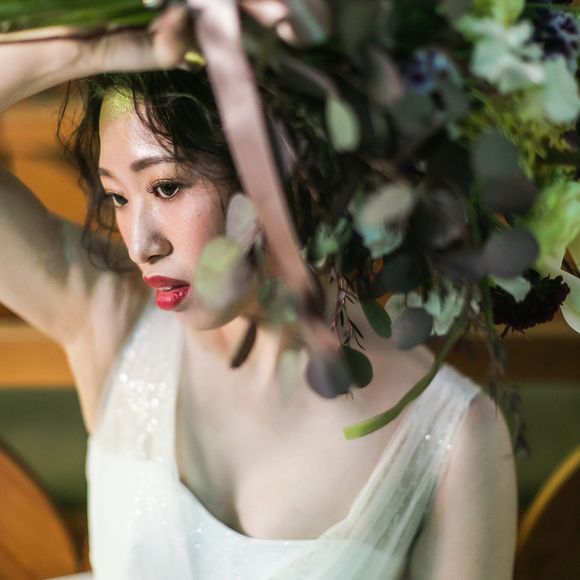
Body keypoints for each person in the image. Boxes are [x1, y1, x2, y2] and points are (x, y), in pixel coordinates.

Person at [0, 5, 516, 579]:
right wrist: (104, 47)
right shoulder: (110, 318)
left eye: (166, 187)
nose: (140, 244)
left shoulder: (453, 436)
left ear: (295, 172)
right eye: (118, 197)